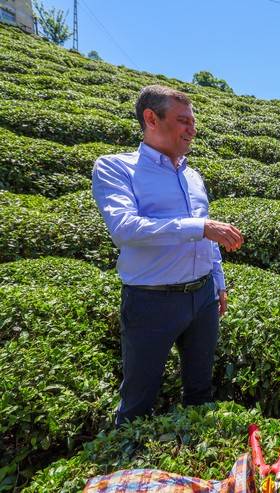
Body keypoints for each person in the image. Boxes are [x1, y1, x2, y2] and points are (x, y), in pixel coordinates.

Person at [92, 85, 244, 425]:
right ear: (151, 119)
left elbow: (207, 236)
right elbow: (125, 228)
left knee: (200, 392)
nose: (192, 129)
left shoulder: (193, 176)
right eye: (183, 121)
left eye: (193, 122)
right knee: (137, 401)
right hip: (151, 301)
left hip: (202, 298)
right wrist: (198, 227)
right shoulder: (117, 168)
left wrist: (217, 280)